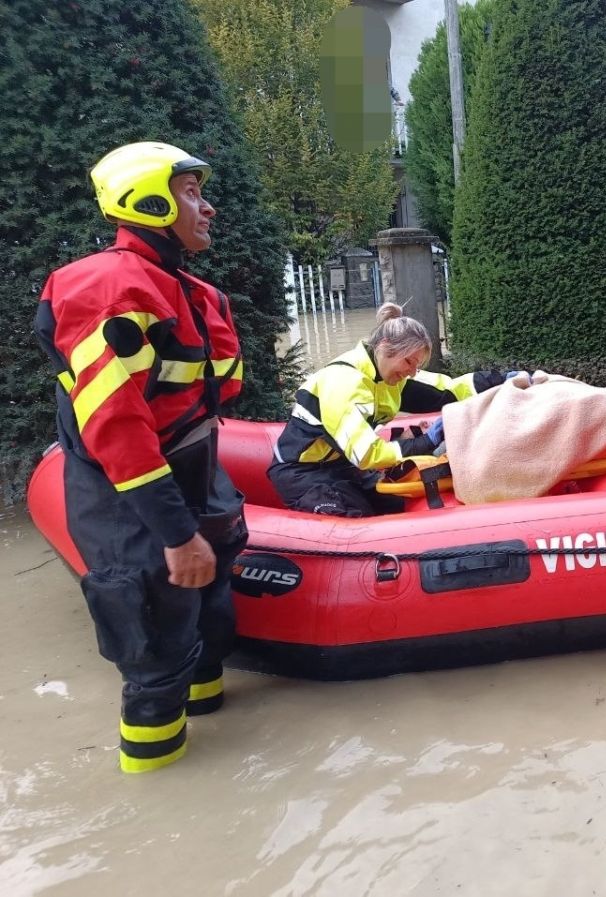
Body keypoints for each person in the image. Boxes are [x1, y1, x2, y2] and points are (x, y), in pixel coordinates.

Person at [34, 141, 248, 773]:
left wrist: (203, 515)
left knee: (208, 621)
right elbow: (117, 428)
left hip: (196, 474)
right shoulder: (109, 289)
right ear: (148, 200)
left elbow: (208, 399)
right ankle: (163, 791)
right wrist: (177, 533)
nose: (206, 208)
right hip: (132, 499)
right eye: (190, 193)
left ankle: (212, 725)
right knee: (154, 650)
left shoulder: (193, 292)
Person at [268, 304, 505, 516]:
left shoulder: (391, 376)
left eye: (418, 365)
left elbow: (450, 389)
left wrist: (505, 380)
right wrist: (426, 442)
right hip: (302, 473)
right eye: (409, 362)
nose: (412, 372)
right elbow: (365, 454)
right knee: (356, 522)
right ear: (384, 347)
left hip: (342, 466)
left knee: (400, 504)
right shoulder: (342, 383)